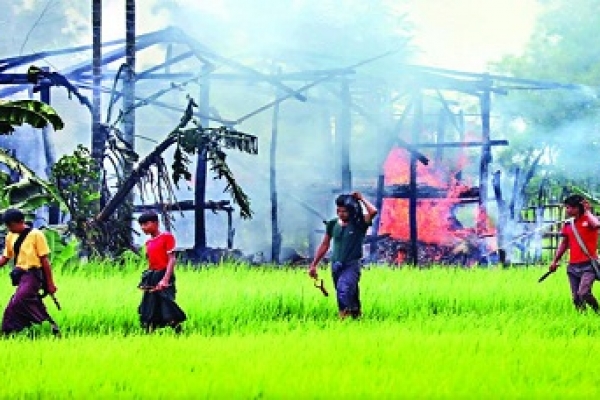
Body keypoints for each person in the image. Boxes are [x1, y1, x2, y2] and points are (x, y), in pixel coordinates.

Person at [309, 192, 378, 319]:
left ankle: (342, 319)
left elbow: (373, 212)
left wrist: (361, 199)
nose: (341, 213)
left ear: (351, 211)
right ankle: (356, 316)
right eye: (339, 210)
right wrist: (314, 265)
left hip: (351, 265)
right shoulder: (332, 224)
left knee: (343, 290)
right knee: (349, 293)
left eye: (344, 211)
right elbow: (325, 244)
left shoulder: (359, 223)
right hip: (336, 265)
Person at [0, 209, 60, 336]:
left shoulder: (36, 235)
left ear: (21, 222)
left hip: (33, 275)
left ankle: (42, 322)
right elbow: (6, 257)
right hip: (20, 275)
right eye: (7, 225)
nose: (9, 228)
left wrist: (50, 283)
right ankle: (10, 331)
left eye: (11, 225)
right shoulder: (10, 236)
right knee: (17, 303)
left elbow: (44, 261)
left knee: (19, 300)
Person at [549, 195, 600, 312]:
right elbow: (564, 244)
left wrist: (587, 211)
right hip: (572, 266)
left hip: (588, 265)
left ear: (578, 208)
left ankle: (598, 313)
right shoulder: (568, 224)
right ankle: (583, 319)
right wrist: (555, 261)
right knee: (576, 298)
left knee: (584, 293)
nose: (567, 210)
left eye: (569, 208)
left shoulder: (590, 220)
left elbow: (597, 225)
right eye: (566, 208)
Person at [137, 212, 186, 333]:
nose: (143, 227)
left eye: (146, 224)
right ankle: (149, 337)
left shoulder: (166, 237)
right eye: (141, 225)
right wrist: (146, 280)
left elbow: (172, 259)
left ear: (155, 223)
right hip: (153, 275)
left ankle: (179, 333)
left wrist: (165, 279)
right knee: (149, 307)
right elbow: (152, 263)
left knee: (167, 306)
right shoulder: (148, 243)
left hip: (164, 274)